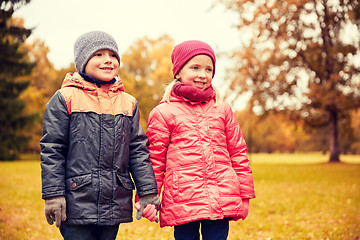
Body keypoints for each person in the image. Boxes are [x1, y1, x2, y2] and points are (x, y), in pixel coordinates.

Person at [40, 31, 160, 240]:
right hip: (77, 201)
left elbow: (138, 151)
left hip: (114, 202)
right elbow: (53, 149)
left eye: (113, 55)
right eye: (99, 54)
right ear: (83, 60)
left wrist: (148, 192)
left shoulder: (128, 103)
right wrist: (53, 194)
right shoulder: (65, 98)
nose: (108, 60)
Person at [140, 40, 256, 240]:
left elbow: (238, 153)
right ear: (178, 72)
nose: (203, 74)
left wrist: (245, 195)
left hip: (220, 195)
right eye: (195, 67)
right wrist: (149, 196)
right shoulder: (164, 112)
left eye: (208, 69)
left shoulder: (222, 109)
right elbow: (155, 160)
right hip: (183, 198)